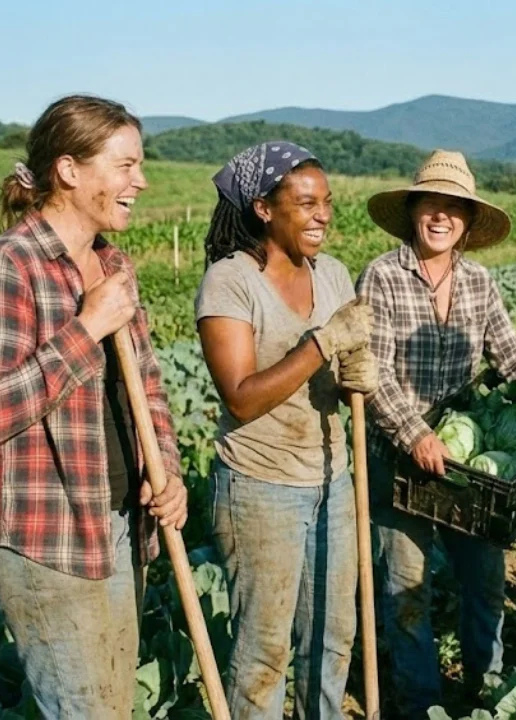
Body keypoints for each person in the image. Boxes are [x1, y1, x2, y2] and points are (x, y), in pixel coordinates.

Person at [0, 95, 187, 719]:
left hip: (116, 525)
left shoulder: (112, 264)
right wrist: (86, 329)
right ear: (69, 170)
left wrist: (165, 468)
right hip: (47, 539)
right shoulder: (7, 267)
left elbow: (149, 388)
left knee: (113, 707)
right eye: (125, 165)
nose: (140, 181)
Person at [356, 150, 516, 717]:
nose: (441, 218)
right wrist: (414, 433)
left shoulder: (478, 282)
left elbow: (513, 355)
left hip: (463, 475)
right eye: (431, 206)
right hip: (401, 460)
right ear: (413, 213)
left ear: (467, 220)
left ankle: (487, 690)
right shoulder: (383, 276)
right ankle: (418, 703)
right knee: (406, 593)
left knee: (483, 583)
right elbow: (373, 373)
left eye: (453, 209)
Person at [195, 141, 374, 718]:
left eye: (327, 202)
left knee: (333, 634)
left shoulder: (336, 275)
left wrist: (357, 377)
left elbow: (342, 384)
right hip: (260, 488)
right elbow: (242, 399)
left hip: (333, 479)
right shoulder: (231, 282)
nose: (322, 214)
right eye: (306, 203)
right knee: (264, 655)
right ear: (264, 210)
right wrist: (322, 344)